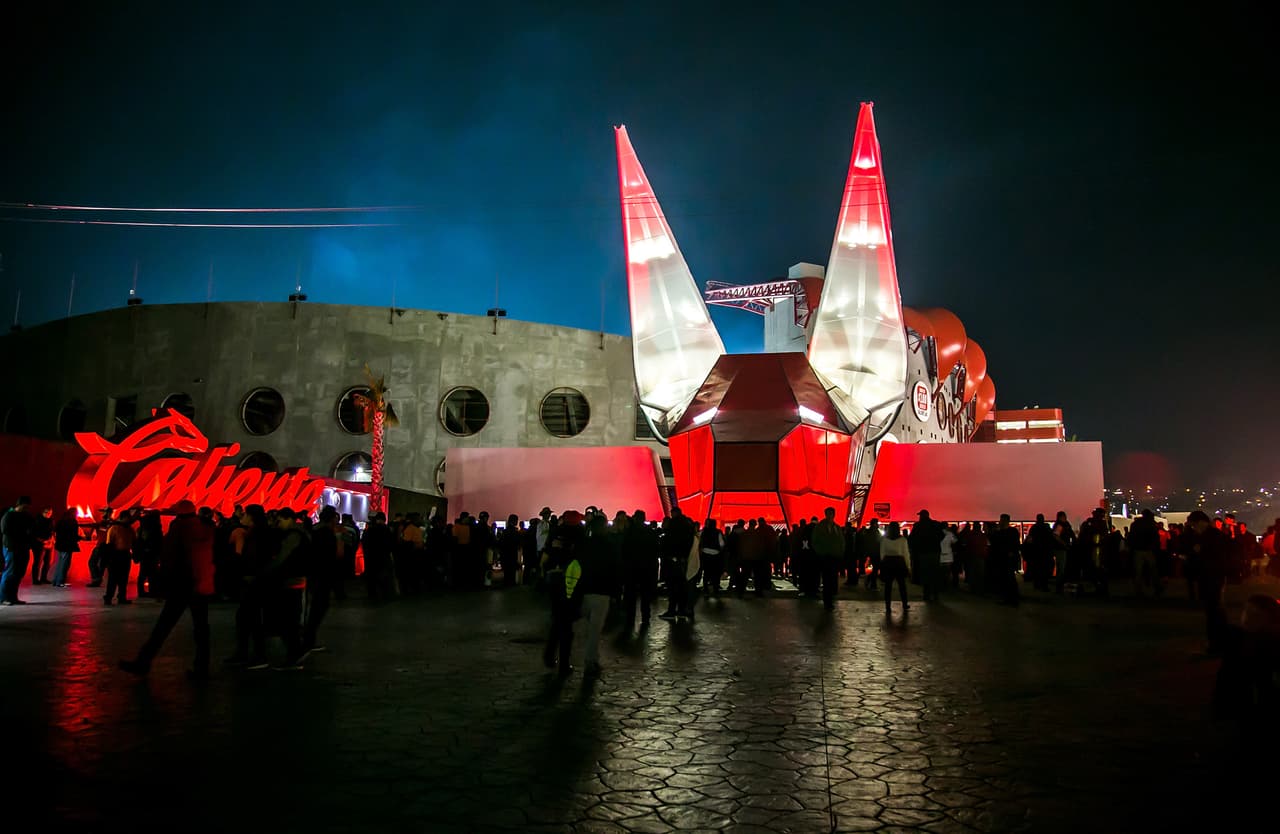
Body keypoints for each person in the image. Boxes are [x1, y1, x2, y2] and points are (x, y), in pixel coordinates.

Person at [119, 500, 216, 679]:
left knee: (163, 625)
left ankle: (143, 662)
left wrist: (162, 582)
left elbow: (169, 558)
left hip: (183, 584)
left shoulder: (178, 528)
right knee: (201, 627)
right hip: (202, 583)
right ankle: (202, 667)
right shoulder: (206, 528)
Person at [1212, 594, 1280, 720]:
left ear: (1269, 620)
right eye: (1246, 612)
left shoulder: (1272, 643)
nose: (1247, 618)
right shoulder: (1236, 636)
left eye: (1256, 616)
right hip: (1233, 703)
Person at [578, 513, 621, 675]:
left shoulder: (584, 545)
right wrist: (617, 593)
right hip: (602, 592)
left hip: (584, 590)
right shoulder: (609, 546)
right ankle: (591, 660)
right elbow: (615, 570)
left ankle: (590, 656)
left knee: (589, 626)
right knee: (596, 628)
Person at [542, 510, 583, 677]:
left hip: (554, 578)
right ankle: (564, 663)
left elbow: (546, 555)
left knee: (557, 618)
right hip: (572, 580)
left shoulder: (555, 532)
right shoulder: (580, 535)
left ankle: (549, 655)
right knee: (567, 624)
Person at [304, 506, 342, 655]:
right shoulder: (328, 534)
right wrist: (339, 537)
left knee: (314, 606)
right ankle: (308, 639)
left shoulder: (314, 531)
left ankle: (307, 637)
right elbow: (337, 554)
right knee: (319, 607)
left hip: (313, 574)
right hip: (323, 575)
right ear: (333, 518)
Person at [621, 509, 658, 629]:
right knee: (645, 596)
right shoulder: (650, 532)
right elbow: (655, 551)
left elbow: (624, 550)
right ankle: (645, 618)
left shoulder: (629, 532)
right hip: (646, 569)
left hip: (631, 569)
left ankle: (630, 620)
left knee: (630, 596)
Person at [1, 497, 37, 604]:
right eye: (25, 506)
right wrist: (23, 533)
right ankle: (4, 598)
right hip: (12, 548)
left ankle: (13, 597)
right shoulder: (9, 515)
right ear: (19, 505)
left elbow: (33, 528)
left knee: (19, 573)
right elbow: (5, 530)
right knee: (10, 572)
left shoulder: (26, 516)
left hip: (23, 548)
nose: (27, 508)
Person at [811, 507, 845, 611]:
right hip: (825, 557)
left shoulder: (836, 527)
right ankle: (827, 602)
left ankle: (829, 600)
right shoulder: (820, 527)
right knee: (827, 580)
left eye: (832, 514)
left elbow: (841, 541)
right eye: (829, 514)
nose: (830, 516)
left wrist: (840, 552)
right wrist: (821, 552)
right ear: (826, 514)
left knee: (832, 580)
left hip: (833, 557)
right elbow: (815, 541)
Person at [908, 510, 944, 602]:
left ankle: (926, 594)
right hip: (935, 553)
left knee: (925, 574)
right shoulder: (936, 524)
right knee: (934, 574)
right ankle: (935, 594)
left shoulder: (918, 526)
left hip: (923, 553)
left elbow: (912, 539)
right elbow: (942, 536)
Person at [103, 509, 136, 605]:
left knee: (124, 578)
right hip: (116, 555)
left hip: (125, 554)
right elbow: (109, 544)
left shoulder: (130, 529)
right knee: (113, 578)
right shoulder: (114, 528)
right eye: (127, 518)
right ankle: (108, 597)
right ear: (122, 518)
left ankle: (121, 597)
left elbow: (134, 542)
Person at [361, 511, 397, 599]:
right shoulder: (387, 530)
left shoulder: (370, 530)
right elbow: (391, 544)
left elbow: (365, 543)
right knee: (384, 577)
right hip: (383, 557)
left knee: (372, 578)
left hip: (371, 557)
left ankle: (372, 594)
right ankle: (385, 594)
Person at [990, 514, 1022, 606]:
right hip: (1004, 559)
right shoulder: (1007, 532)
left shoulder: (1008, 532)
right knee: (1006, 579)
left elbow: (1015, 545)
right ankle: (1009, 598)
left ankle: (1011, 598)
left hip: (1007, 559)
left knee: (1009, 579)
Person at [879, 521, 910, 615]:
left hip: (888, 563)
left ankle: (887, 606)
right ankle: (904, 603)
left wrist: (883, 564)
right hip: (899, 563)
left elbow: (882, 553)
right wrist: (908, 566)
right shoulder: (903, 540)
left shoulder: (884, 540)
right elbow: (906, 554)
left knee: (888, 586)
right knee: (902, 585)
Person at [134, 510, 164, 598]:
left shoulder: (145, 525)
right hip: (151, 552)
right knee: (151, 573)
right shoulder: (154, 526)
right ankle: (151, 591)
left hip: (146, 552)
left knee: (144, 573)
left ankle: (143, 591)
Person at [51, 507, 80, 588]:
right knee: (65, 564)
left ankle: (56, 581)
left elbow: (55, 531)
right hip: (67, 546)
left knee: (59, 563)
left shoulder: (61, 521)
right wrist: (81, 538)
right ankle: (60, 582)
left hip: (59, 545)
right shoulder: (72, 522)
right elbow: (73, 535)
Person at [699, 518, 724, 598]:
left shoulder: (704, 532)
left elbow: (700, 541)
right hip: (716, 555)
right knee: (716, 573)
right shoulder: (718, 532)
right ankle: (715, 589)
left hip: (705, 554)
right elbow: (722, 544)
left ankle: (706, 589)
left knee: (706, 573)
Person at [497, 515, 523, 588]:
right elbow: (519, 543)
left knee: (506, 571)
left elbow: (500, 543)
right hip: (512, 554)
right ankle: (511, 584)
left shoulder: (505, 532)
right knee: (512, 571)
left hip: (505, 554)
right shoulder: (515, 532)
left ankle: (506, 583)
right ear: (514, 521)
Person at [856, 519, 882, 592]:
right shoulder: (874, 532)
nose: (878, 525)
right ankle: (872, 584)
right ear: (874, 524)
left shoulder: (870, 532)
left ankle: (870, 581)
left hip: (872, 552)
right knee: (876, 569)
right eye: (877, 523)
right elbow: (874, 543)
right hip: (874, 553)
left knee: (876, 569)